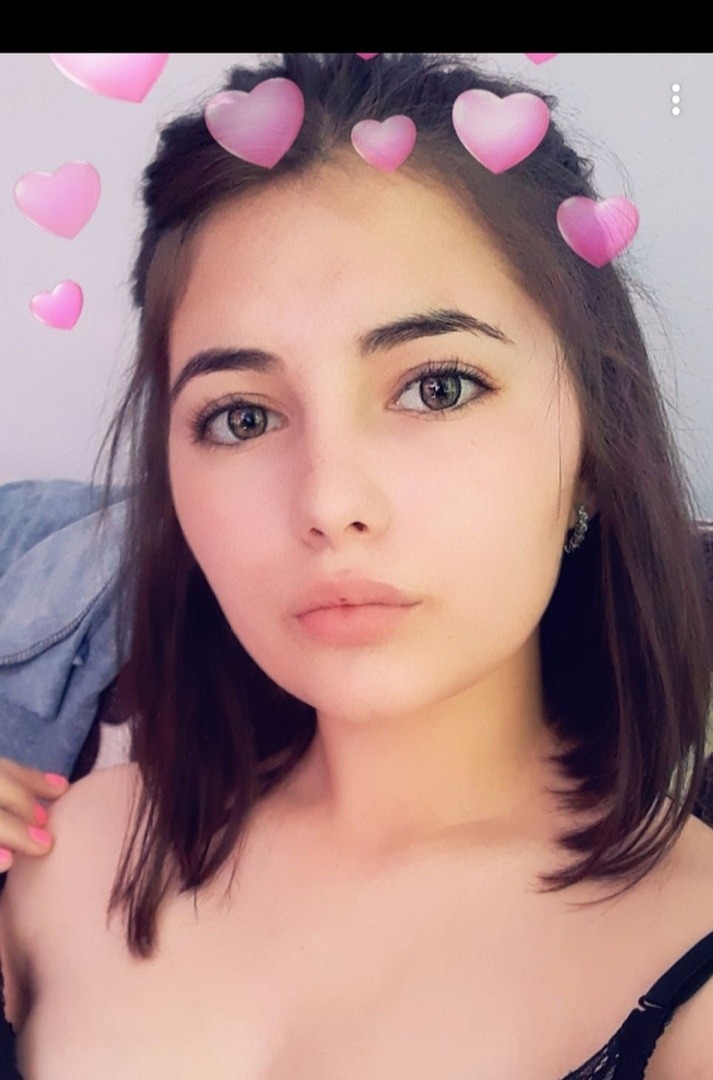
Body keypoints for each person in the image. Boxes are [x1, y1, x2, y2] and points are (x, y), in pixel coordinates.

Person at [1, 51, 712, 1078]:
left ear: (592, 452)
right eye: (241, 417)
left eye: (436, 387)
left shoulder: (685, 982)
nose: (328, 503)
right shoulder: (58, 865)